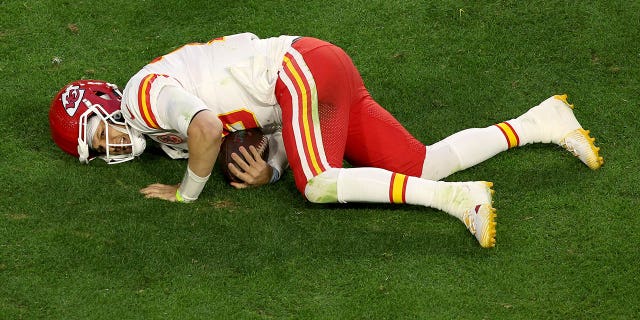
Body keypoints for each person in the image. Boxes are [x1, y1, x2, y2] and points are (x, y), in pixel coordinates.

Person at [49, 33, 604, 248]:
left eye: (98, 132)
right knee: (420, 162)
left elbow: (209, 129)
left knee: (317, 185)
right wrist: (272, 167)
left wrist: (185, 193)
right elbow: (267, 126)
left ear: (104, 102)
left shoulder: (144, 95)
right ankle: (541, 122)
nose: (108, 147)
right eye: (95, 149)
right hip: (312, 72)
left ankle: (461, 202)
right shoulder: (160, 129)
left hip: (299, 73)